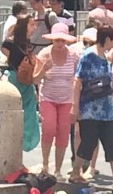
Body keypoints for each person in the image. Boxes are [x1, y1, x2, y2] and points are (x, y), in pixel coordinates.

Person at [68, 25, 113, 194]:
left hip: (107, 110)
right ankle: (75, 171)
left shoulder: (105, 57)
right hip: (90, 109)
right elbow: (77, 80)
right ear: (107, 39)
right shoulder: (88, 55)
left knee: (112, 144)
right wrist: (75, 106)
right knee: (88, 143)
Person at [34, 22, 78, 177]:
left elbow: (78, 78)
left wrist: (76, 102)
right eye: (57, 40)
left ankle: (58, 169)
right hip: (48, 97)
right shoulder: (44, 54)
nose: (60, 43)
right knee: (49, 128)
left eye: (63, 40)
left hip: (67, 98)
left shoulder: (73, 55)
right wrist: (44, 69)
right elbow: (35, 80)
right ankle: (45, 163)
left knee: (63, 132)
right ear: (52, 40)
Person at [1, 14, 40, 153]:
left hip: (27, 81)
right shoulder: (9, 43)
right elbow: (7, 57)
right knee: (14, 114)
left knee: (29, 115)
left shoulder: (28, 44)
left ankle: (25, 143)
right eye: (31, 24)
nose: (34, 28)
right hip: (14, 79)